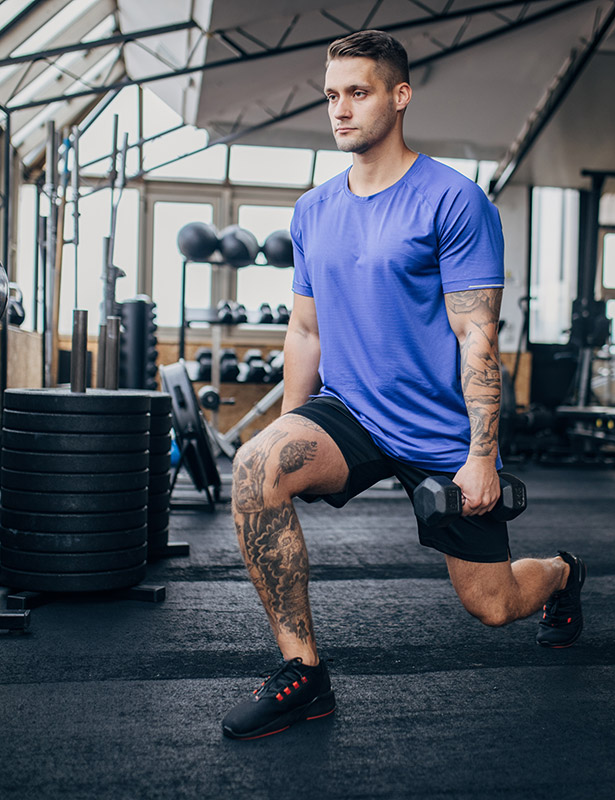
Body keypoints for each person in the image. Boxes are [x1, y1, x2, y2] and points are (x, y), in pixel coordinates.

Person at [221, 29, 586, 741]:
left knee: (493, 605)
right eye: (332, 96)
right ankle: (304, 675)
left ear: (399, 95)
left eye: (357, 92)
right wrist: (292, 431)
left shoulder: (453, 201)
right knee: (254, 467)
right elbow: (306, 331)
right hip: (351, 410)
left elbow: (477, 336)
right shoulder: (313, 210)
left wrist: (482, 454)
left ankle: (565, 574)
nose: (342, 110)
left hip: (441, 431)